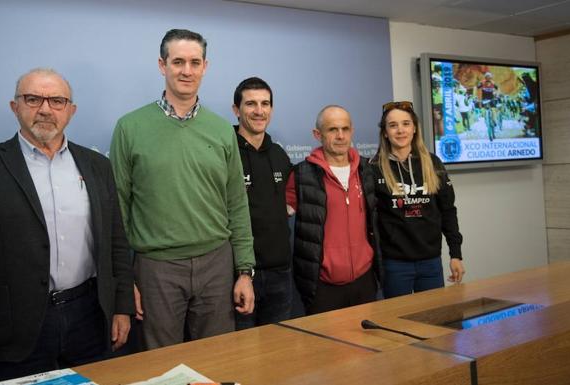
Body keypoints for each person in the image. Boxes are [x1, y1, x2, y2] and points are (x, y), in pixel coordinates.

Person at [0, 68, 134, 381]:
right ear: (15, 106)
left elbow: (117, 240)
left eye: (57, 101)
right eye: (33, 99)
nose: (45, 109)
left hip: (89, 315)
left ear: (71, 111)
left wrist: (122, 306)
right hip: (15, 325)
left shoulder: (97, 165)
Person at [109, 29, 255, 349]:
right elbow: (118, 206)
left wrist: (244, 270)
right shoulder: (129, 127)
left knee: (218, 357)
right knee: (162, 364)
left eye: (194, 62)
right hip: (156, 268)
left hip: (217, 263)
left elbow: (236, 203)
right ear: (162, 66)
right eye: (178, 62)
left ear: (205, 67)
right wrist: (124, 281)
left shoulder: (221, 130)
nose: (186, 71)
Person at [286, 105, 381, 315]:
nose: (340, 136)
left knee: (369, 347)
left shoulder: (367, 171)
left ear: (352, 131)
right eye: (332, 130)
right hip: (322, 287)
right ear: (317, 134)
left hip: (364, 282)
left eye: (345, 129)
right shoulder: (301, 175)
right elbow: (276, 217)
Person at [370, 101, 465, 299]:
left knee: (433, 323)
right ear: (385, 132)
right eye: (393, 125)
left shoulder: (433, 163)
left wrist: (455, 254)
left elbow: (448, 211)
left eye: (406, 124)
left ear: (414, 128)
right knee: (396, 324)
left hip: (430, 262)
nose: (400, 130)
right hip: (394, 264)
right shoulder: (374, 167)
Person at [231, 77, 292, 329]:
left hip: (280, 273)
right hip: (239, 275)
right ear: (236, 110)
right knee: (242, 355)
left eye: (265, 103)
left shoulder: (279, 154)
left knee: (278, 354)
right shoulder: (226, 150)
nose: (259, 111)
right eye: (251, 104)